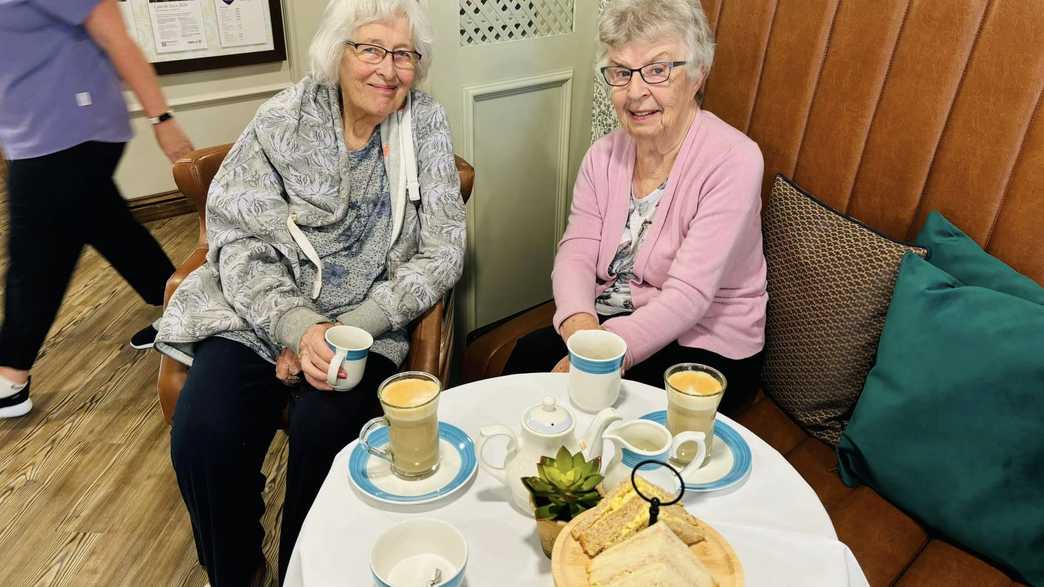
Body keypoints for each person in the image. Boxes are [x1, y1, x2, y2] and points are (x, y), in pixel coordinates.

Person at [153, 0, 466, 583]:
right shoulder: (284, 117)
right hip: (260, 315)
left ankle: (307, 568)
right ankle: (238, 569)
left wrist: (359, 325)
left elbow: (443, 248)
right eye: (370, 49)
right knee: (203, 431)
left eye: (402, 54)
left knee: (330, 433)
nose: (387, 69)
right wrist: (297, 327)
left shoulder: (423, 122)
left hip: (363, 324)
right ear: (337, 54)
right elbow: (239, 239)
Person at [504, 0, 767, 417]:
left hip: (706, 345)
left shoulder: (735, 160)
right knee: (524, 363)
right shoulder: (602, 156)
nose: (636, 92)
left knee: (601, 417)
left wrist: (602, 356)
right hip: (614, 319)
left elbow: (689, 296)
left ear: (698, 74)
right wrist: (580, 329)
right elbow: (575, 254)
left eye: (658, 70)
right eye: (621, 72)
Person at [0, 0, 194, 419]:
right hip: (37, 133)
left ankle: (10, 376)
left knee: (36, 256)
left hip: (69, 129)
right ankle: (185, 308)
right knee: (110, 227)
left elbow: (113, 34)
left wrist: (162, 117)